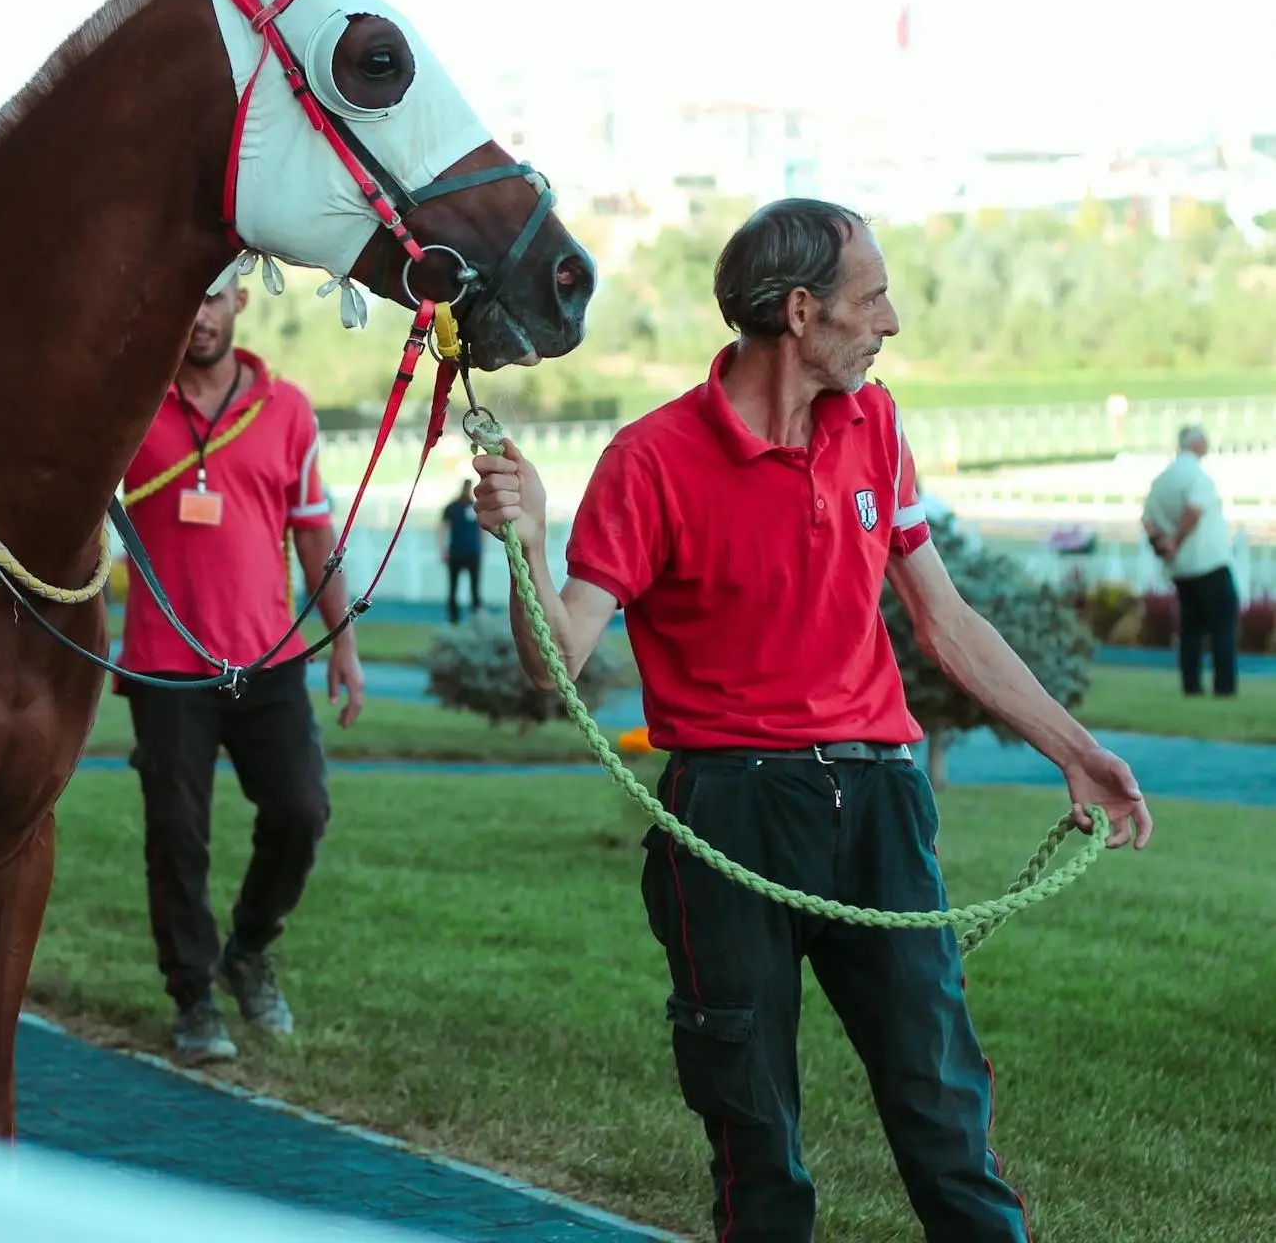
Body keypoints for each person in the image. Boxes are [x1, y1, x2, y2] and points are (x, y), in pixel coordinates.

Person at [471, 198, 1150, 1243]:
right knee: (753, 1130)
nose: (890, 322)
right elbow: (558, 657)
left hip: (880, 797)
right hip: (730, 811)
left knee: (942, 1103)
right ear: (801, 312)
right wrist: (533, 533)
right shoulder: (650, 461)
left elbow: (946, 619)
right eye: (871, 298)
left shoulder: (874, 425)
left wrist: (1078, 750)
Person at [116, 283, 364, 1066]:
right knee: (177, 838)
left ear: (239, 302)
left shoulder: (287, 410)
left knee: (301, 810)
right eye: (186, 298)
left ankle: (248, 949)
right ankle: (192, 995)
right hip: (165, 665)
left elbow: (314, 537)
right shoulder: (125, 401)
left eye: (213, 298)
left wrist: (344, 646)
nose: (198, 314)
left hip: (267, 660)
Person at [1141, 425, 1238, 698]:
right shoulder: (1198, 476)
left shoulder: (1161, 480)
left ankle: (1191, 685)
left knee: (1191, 629)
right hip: (1208, 563)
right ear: (1197, 445)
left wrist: (1163, 544)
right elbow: (1194, 511)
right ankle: (1224, 687)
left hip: (1181, 569)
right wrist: (1176, 540)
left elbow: (1147, 520)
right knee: (1222, 627)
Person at [438, 479, 484, 623]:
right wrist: (443, 549)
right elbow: (442, 528)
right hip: (457, 551)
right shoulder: (452, 507)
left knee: (474, 587)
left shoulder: (476, 507)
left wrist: (480, 546)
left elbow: (483, 529)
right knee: (453, 587)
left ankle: (476, 617)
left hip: (472, 551)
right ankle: (454, 618)